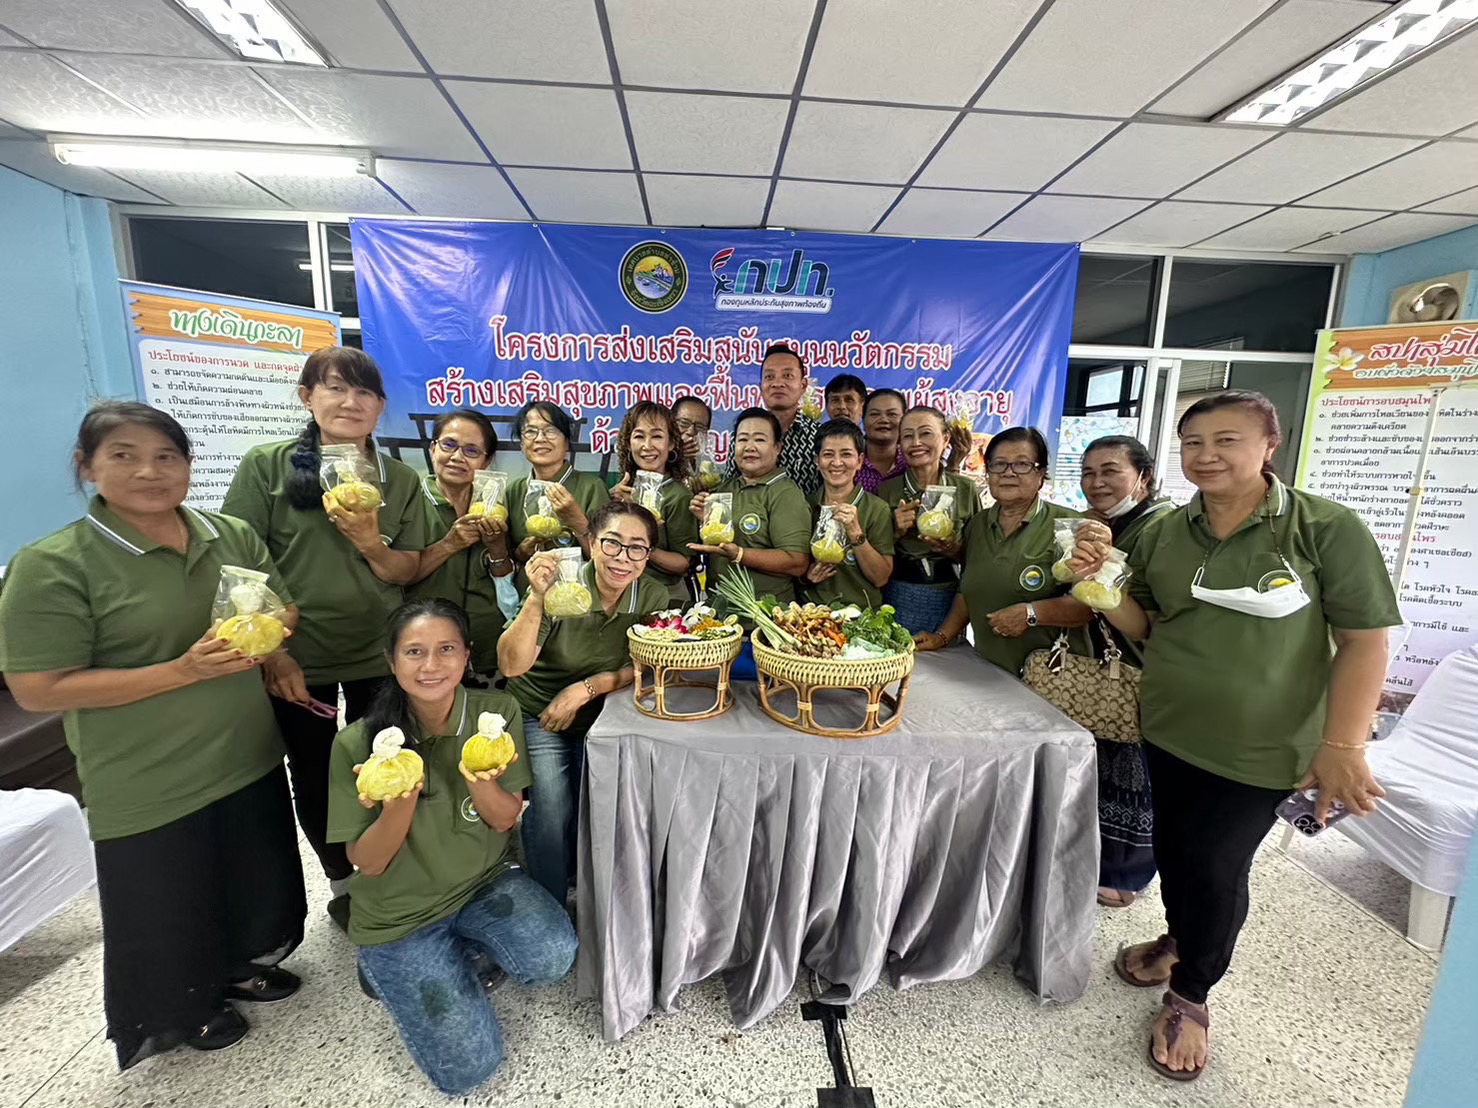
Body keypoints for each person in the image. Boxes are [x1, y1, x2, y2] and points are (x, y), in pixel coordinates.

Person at [1071, 391, 1399, 1082]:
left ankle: (1192, 993)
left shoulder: (1322, 527)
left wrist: (1343, 746)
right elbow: (1150, 625)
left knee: (1217, 867)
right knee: (1176, 849)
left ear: (1269, 445)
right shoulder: (1167, 531)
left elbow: (1366, 638)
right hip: (1170, 726)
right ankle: (1180, 939)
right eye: (1194, 443)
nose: (1208, 455)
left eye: (1227, 440)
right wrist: (1100, 588)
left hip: (1263, 745)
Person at [0, 403, 306, 1068]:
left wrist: (274, 644)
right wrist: (181, 670)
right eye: (123, 455)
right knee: (164, 898)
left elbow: (282, 607)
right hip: (146, 772)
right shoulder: (53, 564)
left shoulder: (228, 535)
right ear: (86, 467)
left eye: (167, 456)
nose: (148, 470)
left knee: (245, 873)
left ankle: (237, 965)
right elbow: (38, 688)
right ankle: (181, 1005)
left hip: (244, 751)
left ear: (189, 467)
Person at [327, 598, 575, 1096]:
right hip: (401, 913)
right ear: (391, 662)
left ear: (467, 656)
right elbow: (369, 862)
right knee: (468, 1072)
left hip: (482, 881)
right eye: (414, 652)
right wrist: (399, 803)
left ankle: (459, 948)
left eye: (446, 650)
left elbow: (506, 818)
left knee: (554, 955)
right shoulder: (361, 745)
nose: (431, 665)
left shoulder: (496, 713)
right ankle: (386, 968)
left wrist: (479, 780)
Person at [223, 346, 426, 931]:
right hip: (297, 661)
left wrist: (368, 539)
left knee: (380, 763)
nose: (349, 402)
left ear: (380, 408)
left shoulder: (399, 478)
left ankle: (383, 869)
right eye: (335, 388)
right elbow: (242, 561)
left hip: (377, 654)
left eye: (363, 393)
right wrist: (274, 651)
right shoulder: (269, 466)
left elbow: (405, 571)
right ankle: (341, 882)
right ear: (307, 396)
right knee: (312, 771)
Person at [499, 502, 669, 902]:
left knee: (599, 799)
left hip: (606, 714)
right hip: (541, 712)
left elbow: (655, 660)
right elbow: (510, 665)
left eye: (637, 548)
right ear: (591, 543)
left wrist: (589, 687)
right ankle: (549, 904)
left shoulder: (653, 595)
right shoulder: (564, 585)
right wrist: (537, 599)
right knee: (553, 805)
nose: (623, 558)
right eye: (612, 543)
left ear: (647, 556)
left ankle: (587, 885)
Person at [1079, 435, 1176, 910]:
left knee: (1134, 775)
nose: (1096, 482)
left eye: (1110, 471)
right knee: (1104, 767)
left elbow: (1148, 614)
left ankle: (1126, 875)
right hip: (1107, 663)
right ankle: (1099, 861)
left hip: (1143, 668)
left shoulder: (1160, 527)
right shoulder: (1109, 524)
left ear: (1144, 477)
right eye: (1088, 472)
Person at [914, 426, 1089, 671]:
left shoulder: (1070, 527)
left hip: (1050, 675)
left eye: (1022, 465)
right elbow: (969, 590)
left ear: (1041, 474)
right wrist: (941, 637)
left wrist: (1031, 613)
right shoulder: (978, 524)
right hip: (988, 668)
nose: (1008, 473)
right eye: (999, 464)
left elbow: (1087, 607)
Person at [410, 409, 516, 683]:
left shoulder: (496, 507)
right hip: (427, 650)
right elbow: (395, 574)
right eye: (449, 445)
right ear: (433, 449)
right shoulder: (409, 502)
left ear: (487, 460)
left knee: (490, 724)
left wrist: (497, 548)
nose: (457, 457)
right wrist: (450, 544)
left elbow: (507, 583)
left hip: (488, 650)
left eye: (471, 451)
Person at [688, 407, 812, 617]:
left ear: (778, 447)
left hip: (764, 619)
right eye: (743, 439)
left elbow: (797, 562)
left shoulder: (785, 494)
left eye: (760, 440)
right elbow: (716, 545)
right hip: (719, 616)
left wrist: (740, 554)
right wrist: (706, 521)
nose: (749, 447)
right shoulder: (725, 489)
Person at [877, 406, 980, 632]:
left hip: (951, 597)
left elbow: (979, 555)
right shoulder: (886, 490)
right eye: (907, 436)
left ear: (945, 439)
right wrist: (893, 531)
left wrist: (953, 549)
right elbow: (872, 556)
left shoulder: (965, 489)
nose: (915, 443)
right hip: (899, 593)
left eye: (925, 433)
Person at [610, 401, 698, 607]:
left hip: (665, 599)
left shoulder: (678, 495)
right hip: (620, 596)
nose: (647, 446)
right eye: (639, 436)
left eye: (657, 436)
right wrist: (613, 506)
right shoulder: (620, 491)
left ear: (671, 444)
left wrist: (641, 548)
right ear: (628, 443)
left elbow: (683, 563)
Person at [801, 419, 894, 610]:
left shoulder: (877, 508)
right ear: (817, 461)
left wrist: (855, 533)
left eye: (846, 454)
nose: (836, 463)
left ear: (859, 461)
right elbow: (794, 566)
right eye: (828, 454)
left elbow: (881, 578)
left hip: (861, 617)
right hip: (812, 614)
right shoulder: (805, 506)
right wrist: (807, 578)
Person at [505, 401, 609, 569]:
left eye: (551, 430)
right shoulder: (514, 491)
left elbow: (606, 559)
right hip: (526, 592)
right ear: (522, 444)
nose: (540, 439)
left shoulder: (592, 487)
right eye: (530, 431)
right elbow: (504, 558)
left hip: (576, 591)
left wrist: (577, 521)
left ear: (567, 442)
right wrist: (520, 554)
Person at [736, 342, 821, 496]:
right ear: (761, 386)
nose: (777, 383)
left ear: (803, 385)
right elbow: (730, 488)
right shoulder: (744, 432)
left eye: (788, 376)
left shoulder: (818, 436)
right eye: (770, 377)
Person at [858, 388, 906, 494]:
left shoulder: (911, 463)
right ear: (863, 420)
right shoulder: (850, 463)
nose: (883, 420)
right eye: (875, 414)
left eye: (892, 414)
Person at [672, 393, 713, 467]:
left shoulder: (706, 469)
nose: (691, 432)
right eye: (684, 423)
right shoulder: (655, 458)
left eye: (700, 427)